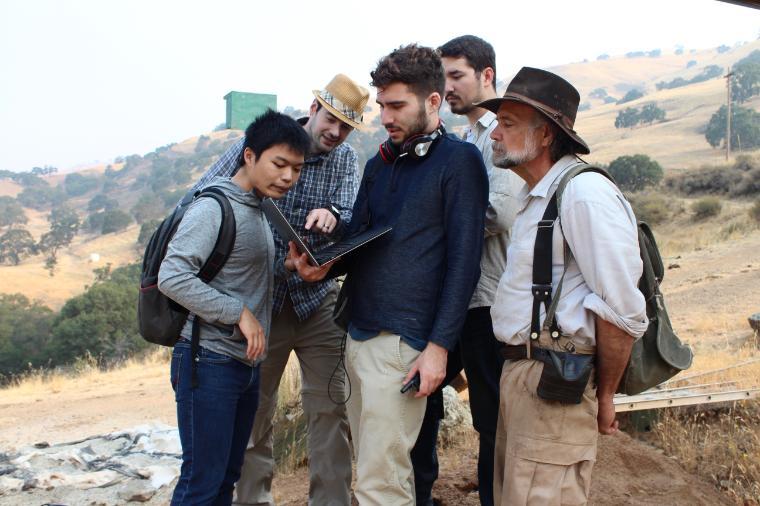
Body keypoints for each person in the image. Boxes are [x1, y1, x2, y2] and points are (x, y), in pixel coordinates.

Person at [288, 44, 489, 505]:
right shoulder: (378, 163)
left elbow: (465, 262)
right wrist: (322, 267)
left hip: (405, 344)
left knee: (380, 484)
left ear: (433, 102)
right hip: (357, 335)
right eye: (381, 105)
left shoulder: (460, 163)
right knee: (380, 477)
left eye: (396, 105)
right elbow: (359, 238)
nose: (385, 116)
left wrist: (438, 349)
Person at [190, 74, 368, 506]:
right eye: (331, 120)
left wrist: (334, 216)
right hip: (258, 301)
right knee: (253, 414)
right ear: (314, 109)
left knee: (330, 408)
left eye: (346, 127)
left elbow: (351, 214)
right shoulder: (264, 141)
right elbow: (201, 194)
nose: (335, 133)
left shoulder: (345, 158)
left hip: (318, 298)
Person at [479, 67, 648, 505]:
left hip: (558, 382)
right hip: (524, 376)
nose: (495, 134)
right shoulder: (537, 197)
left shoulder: (584, 194)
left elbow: (622, 311)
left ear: (547, 135)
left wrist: (606, 394)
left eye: (508, 124)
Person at [158, 110, 310, 505]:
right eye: (279, 164)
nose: (288, 177)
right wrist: (237, 312)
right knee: (201, 483)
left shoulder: (259, 208)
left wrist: (288, 266)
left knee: (226, 477)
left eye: (296, 168)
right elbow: (172, 276)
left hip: (243, 365)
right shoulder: (214, 207)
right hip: (207, 362)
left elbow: (242, 274)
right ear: (248, 156)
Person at [410, 35, 522, 506]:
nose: (448, 87)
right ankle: (418, 496)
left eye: (456, 76)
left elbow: (498, 213)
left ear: (487, 75)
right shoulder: (467, 137)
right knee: (420, 396)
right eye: (444, 77)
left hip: (489, 301)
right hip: (456, 297)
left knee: (491, 418)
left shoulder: (504, 132)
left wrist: (436, 224)